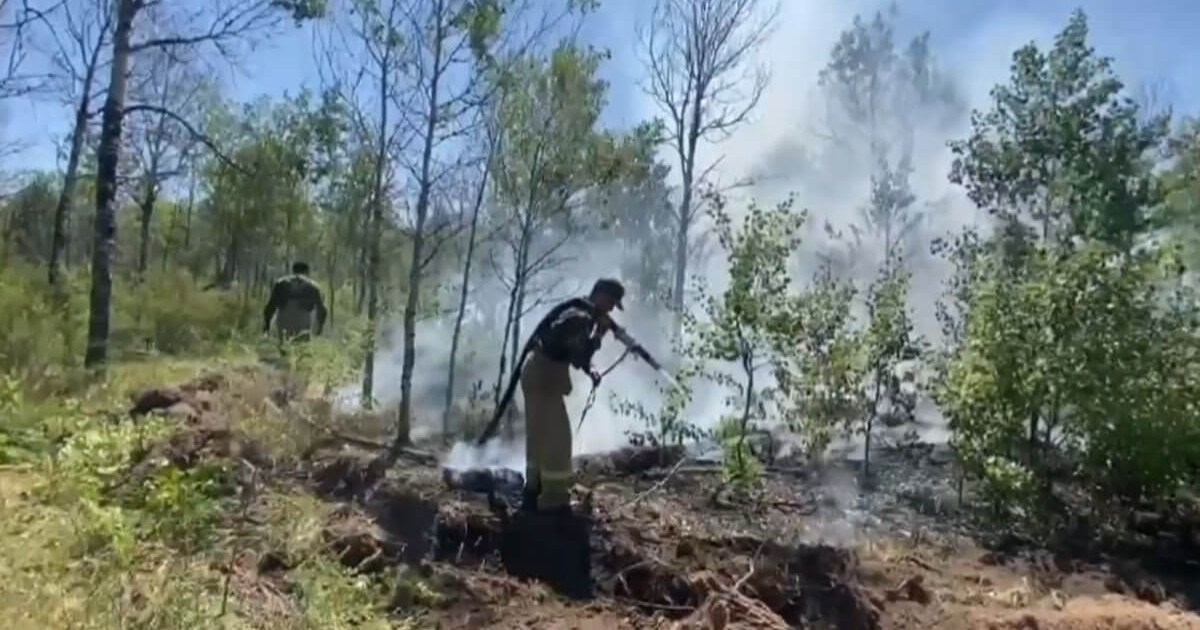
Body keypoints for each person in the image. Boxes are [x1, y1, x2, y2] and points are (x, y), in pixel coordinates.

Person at [521, 278, 625, 515]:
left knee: (539, 436)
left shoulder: (577, 314)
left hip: (540, 374)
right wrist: (598, 335)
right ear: (600, 295)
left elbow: (571, 351)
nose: (610, 309)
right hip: (544, 377)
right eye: (610, 303)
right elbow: (577, 354)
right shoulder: (580, 317)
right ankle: (554, 500)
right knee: (557, 440)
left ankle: (532, 492)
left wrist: (591, 370)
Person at [263, 262, 328, 351]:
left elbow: (271, 306)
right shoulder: (313, 286)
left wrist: (267, 325)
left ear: (293, 270)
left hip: (284, 316)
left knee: (285, 346)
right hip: (303, 317)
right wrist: (320, 327)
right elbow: (322, 309)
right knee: (301, 348)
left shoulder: (281, 283)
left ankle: (283, 361)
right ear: (307, 272)